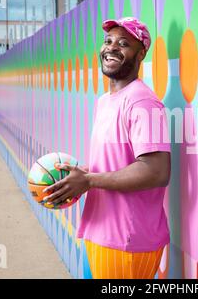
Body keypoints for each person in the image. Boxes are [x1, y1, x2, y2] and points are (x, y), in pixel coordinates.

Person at [43, 17, 171, 279]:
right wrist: (80, 176)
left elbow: (156, 171)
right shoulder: (105, 101)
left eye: (124, 43)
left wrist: (89, 180)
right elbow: (117, 163)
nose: (111, 47)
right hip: (100, 229)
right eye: (108, 41)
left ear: (141, 53)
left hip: (128, 239)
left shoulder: (143, 102)